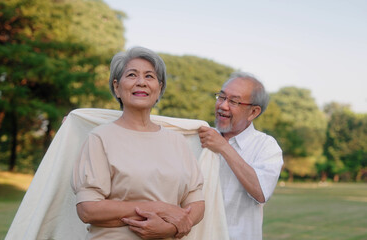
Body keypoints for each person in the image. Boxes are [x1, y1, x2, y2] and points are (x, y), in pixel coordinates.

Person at [71, 47, 205, 239]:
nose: (141, 82)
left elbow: (197, 202)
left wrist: (170, 229)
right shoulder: (100, 138)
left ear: (159, 89)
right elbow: (88, 210)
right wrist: (160, 209)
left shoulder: (177, 142)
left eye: (149, 76)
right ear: (117, 87)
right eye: (132, 75)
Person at [198, 72, 283, 240]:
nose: (223, 106)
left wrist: (223, 147)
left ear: (253, 112)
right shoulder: (201, 137)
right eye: (221, 97)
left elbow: (261, 192)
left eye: (234, 101)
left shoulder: (266, 146)